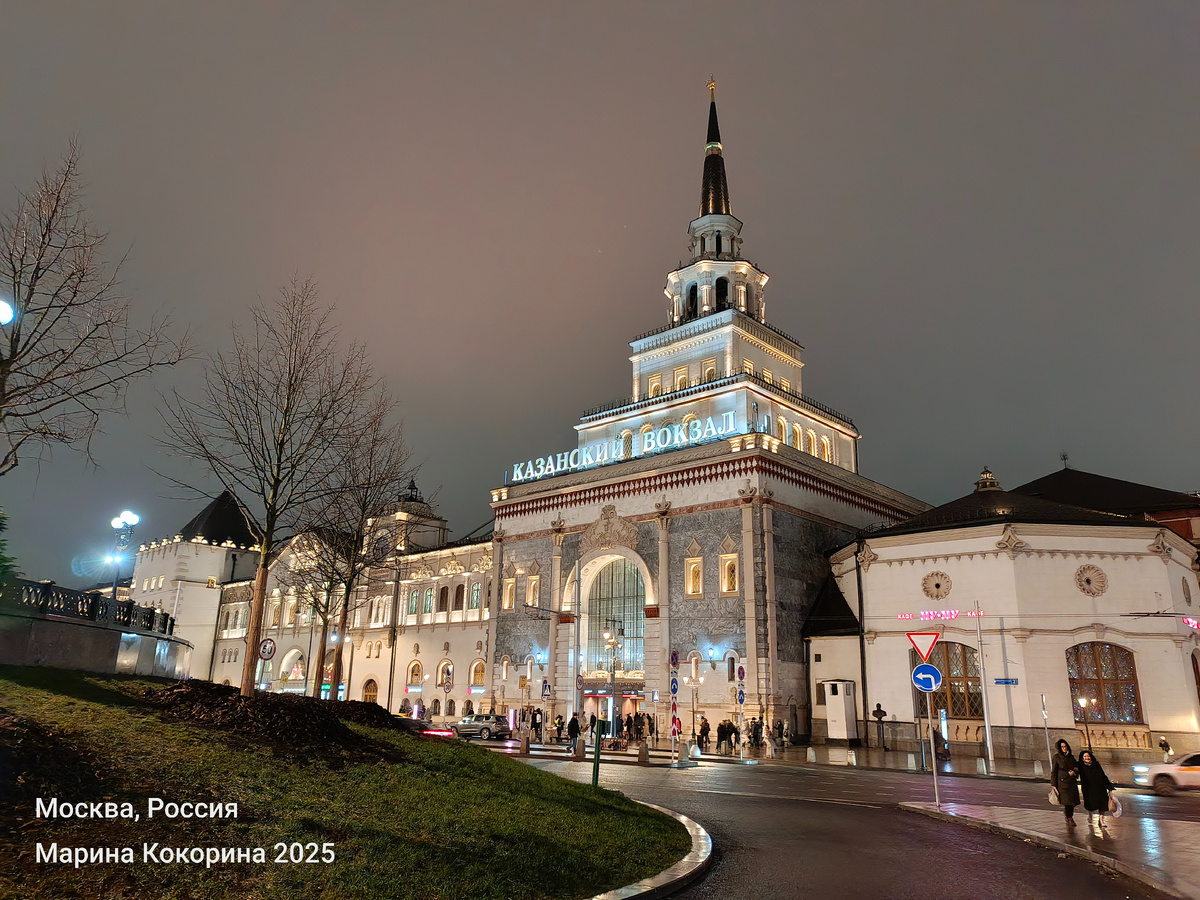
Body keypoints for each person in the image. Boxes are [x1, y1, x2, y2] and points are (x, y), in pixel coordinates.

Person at [1078, 750, 1115, 829]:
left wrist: (1109, 786)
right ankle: (1090, 816)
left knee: (1103, 805)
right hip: (1089, 789)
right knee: (1091, 805)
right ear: (1082, 758)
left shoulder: (1096, 764)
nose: (1087, 758)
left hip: (1100, 787)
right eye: (1085, 756)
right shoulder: (1081, 766)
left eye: (1088, 756)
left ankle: (1101, 820)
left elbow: (1102, 775)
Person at [1051, 738, 1081, 826]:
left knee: (1073, 801)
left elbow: (1076, 767)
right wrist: (1053, 784)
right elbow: (1054, 771)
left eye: (1065, 746)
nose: (1064, 748)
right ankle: (1069, 817)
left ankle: (1068, 814)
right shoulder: (1057, 757)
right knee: (1068, 802)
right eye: (1062, 747)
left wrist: (1074, 773)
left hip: (1071, 781)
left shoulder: (1071, 757)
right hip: (1063, 782)